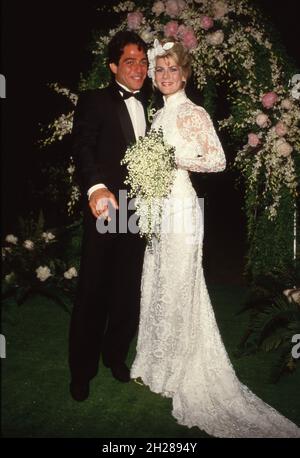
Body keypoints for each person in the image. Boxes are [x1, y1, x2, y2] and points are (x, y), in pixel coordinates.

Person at [130, 39, 300, 438]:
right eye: (160, 69)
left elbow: (218, 159)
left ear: (185, 74)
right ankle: (155, 363)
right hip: (158, 210)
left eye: (172, 69)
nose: (166, 75)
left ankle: (178, 369)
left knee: (178, 285)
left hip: (183, 210)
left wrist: (172, 160)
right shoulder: (156, 116)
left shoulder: (193, 113)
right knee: (156, 284)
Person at [69, 31, 148, 401]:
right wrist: (95, 187)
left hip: (138, 213)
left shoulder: (153, 104)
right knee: (93, 290)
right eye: (130, 61)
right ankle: (81, 371)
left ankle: (114, 355)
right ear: (114, 65)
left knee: (126, 289)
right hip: (105, 208)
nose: (139, 68)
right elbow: (82, 146)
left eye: (143, 61)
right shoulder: (94, 100)